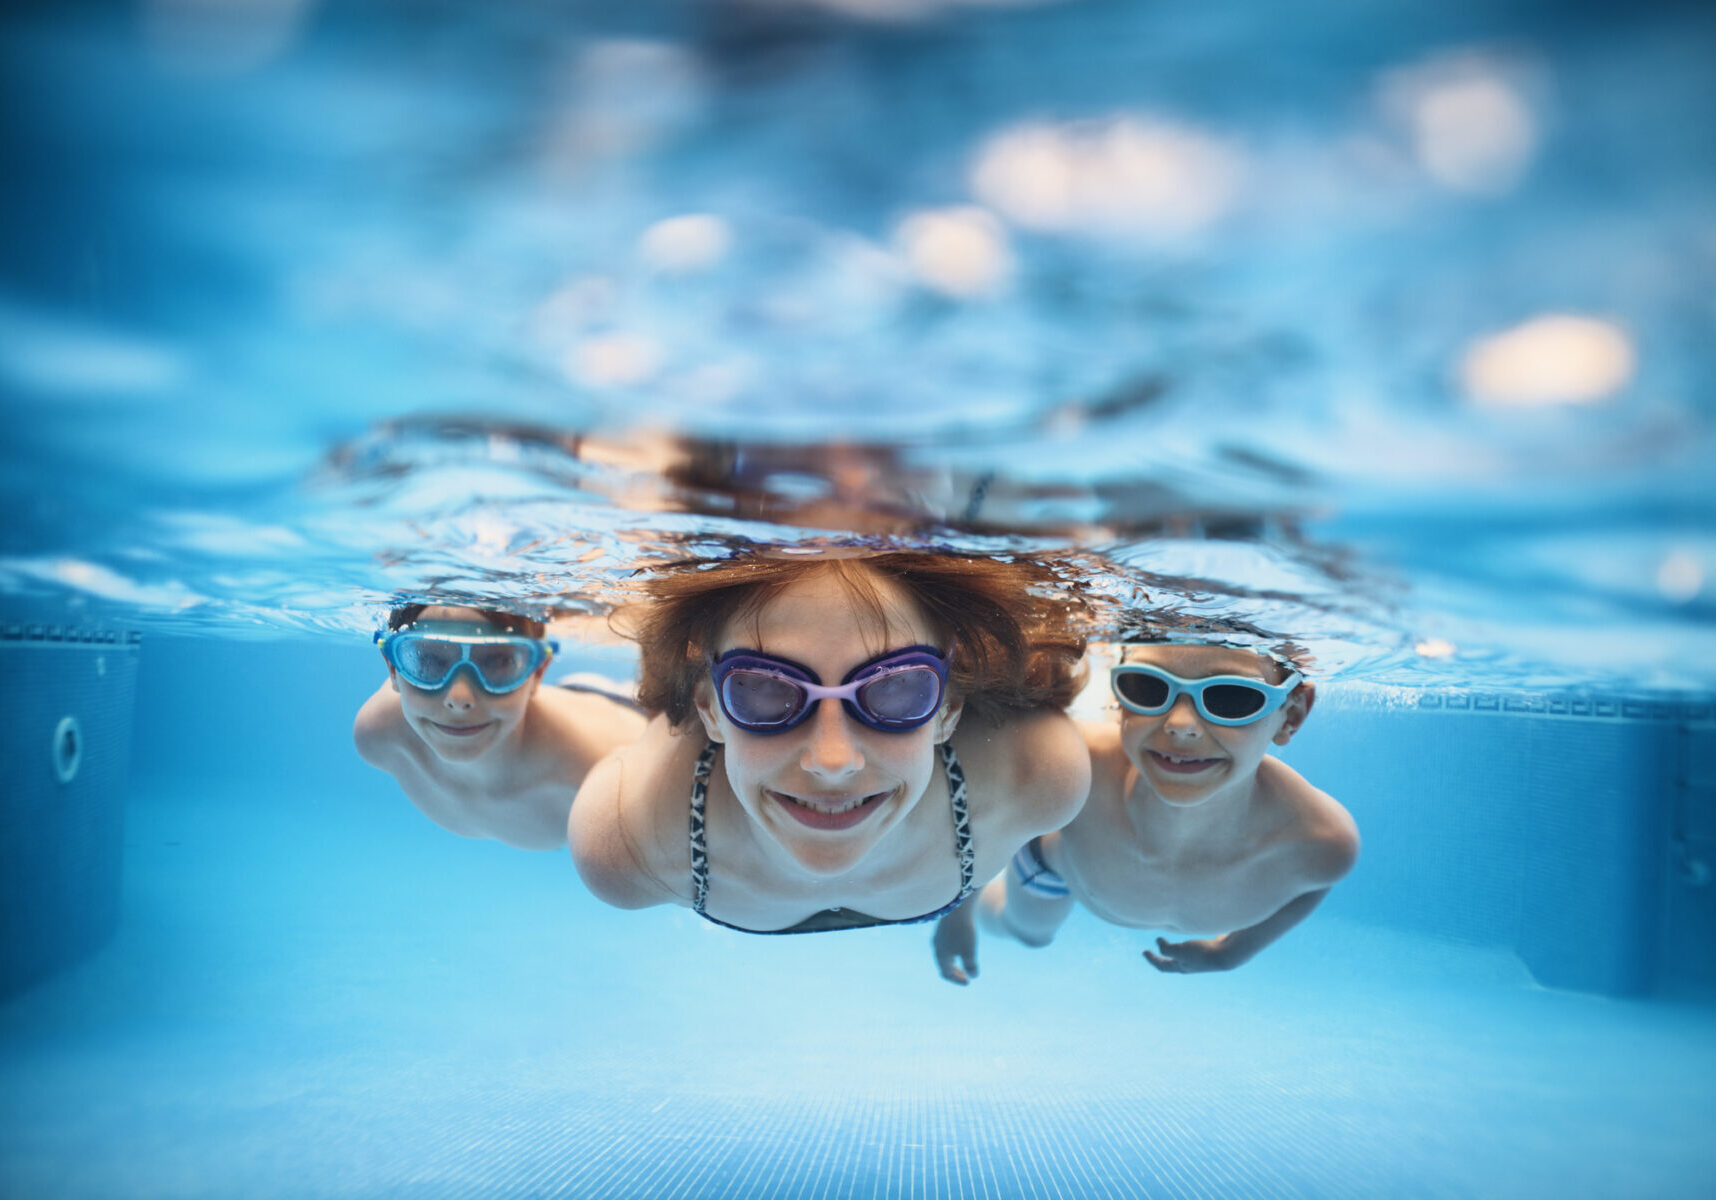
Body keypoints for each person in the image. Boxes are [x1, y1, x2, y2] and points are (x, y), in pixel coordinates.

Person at [569, 551, 1092, 934]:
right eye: (765, 690)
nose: (832, 761)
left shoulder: (1038, 775)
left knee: (1028, 932)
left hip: (965, 872)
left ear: (948, 710)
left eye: (896, 689)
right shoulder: (630, 840)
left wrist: (964, 903)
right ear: (709, 709)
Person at [934, 639, 1358, 983]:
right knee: (1029, 935)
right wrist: (957, 913)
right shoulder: (1075, 760)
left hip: (1094, 881)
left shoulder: (1320, 840)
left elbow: (1316, 881)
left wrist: (1231, 952)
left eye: (1231, 697)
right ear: (1120, 698)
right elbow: (992, 813)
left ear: (1292, 714)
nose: (1180, 723)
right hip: (1052, 867)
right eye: (1148, 688)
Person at [354, 604, 647, 851]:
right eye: (428, 661)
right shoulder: (379, 733)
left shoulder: (602, 773)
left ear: (537, 673)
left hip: (635, 712)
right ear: (393, 669)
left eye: (497, 661)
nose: (459, 698)